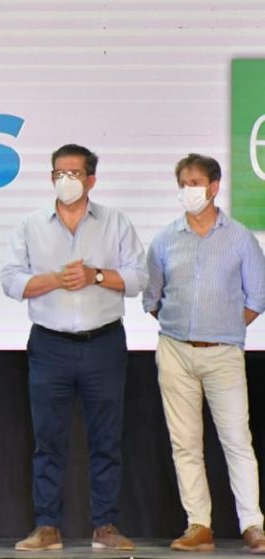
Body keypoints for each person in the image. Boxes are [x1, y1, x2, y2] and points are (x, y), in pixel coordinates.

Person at [0, 144, 146, 551]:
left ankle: (106, 525)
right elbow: (10, 281)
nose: (65, 180)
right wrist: (53, 280)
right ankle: (46, 526)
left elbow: (138, 279)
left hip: (104, 343)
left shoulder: (115, 222)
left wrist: (95, 275)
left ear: (91, 180)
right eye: (58, 173)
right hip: (50, 345)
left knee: (106, 439)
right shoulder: (31, 225)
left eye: (74, 173)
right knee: (48, 439)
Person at [143, 153, 265, 553]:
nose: (188, 190)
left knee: (237, 440)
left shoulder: (240, 238)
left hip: (223, 353)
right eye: (183, 183)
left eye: (195, 183)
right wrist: (184, 328)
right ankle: (198, 525)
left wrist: (222, 327)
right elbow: (152, 298)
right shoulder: (164, 240)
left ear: (214, 187)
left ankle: (253, 525)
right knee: (185, 443)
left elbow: (257, 297)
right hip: (175, 351)